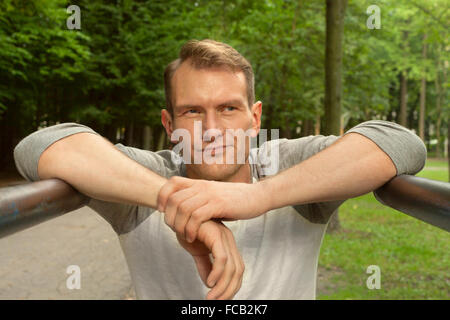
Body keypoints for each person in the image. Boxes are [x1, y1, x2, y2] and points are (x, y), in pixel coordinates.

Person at [13, 39, 427, 300]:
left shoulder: (287, 166)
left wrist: (256, 196)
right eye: (193, 111)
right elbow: (41, 146)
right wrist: (176, 202)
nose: (212, 130)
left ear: (255, 118)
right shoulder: (148, 175)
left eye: (229, 108)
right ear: (169, 124)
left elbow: (398, 142)